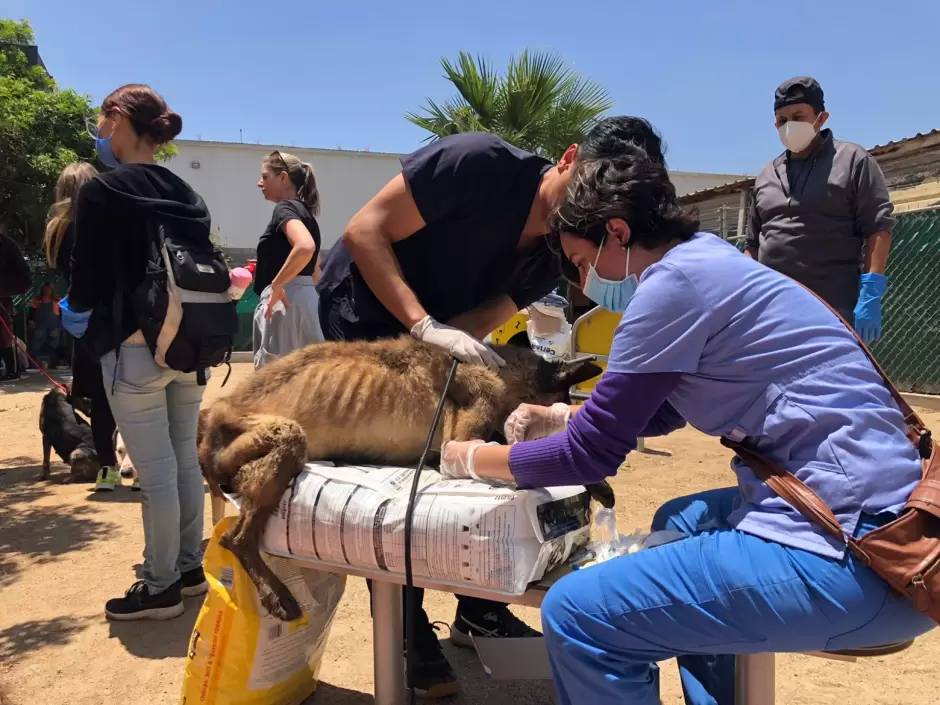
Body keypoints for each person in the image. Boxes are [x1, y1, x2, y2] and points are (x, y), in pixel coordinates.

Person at [440, 149, 936, 705]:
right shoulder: (713, 262)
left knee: (578, 614)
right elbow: (667, 406)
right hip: (901, 519)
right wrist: (562, 416)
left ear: (618, 233)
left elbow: (590, 457)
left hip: (860, 561)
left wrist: (469, 457)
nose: (586, 281)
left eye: (582, 263)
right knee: (679, 519)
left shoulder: (668, 289)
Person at [316, 116, 668, 697]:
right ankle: (405, 626)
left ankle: (478, 606)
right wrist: (422, 328)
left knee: (469, 459)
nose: (585, 211)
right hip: (368, 311)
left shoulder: (559, 245)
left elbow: (492, 313)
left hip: (443, 330)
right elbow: (364, 232)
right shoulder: (478, 164)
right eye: (586, 187)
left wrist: (452, 347)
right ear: (568, 157)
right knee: (399, 469)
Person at [66, 84, 212, 620]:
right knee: (182, 463)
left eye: (102, 120)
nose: (99, 132)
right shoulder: (187, 192)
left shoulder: (103, 191)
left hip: (133, 346)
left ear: (121, 118)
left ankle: (159, 587)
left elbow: (90, 273)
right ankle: (189, 568)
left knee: (154, 472)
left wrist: (75, 311)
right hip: (190, 345)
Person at [746, 77, 895, 343]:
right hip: (774, 315)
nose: (789, 125)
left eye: (798, 116)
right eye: (782, 120)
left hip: (834, 313)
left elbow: (878, 228)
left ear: (821, 118)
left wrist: (870, 293)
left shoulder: (853, 161)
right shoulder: (766, 175)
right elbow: (752, 245)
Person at [44, 161, 125, 490]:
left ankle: (108, 469)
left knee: (102, 400)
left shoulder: (57, 230)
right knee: (129, 394)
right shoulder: (102, 226)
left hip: (82, 322)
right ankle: (133, 465)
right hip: (115, 319)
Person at [252, 150, 323, 368]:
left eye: (265, 177)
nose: (259, 183)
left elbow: (305, 247)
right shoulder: (307, 215)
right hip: (308, 301)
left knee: (275, 387)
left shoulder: (285, 208)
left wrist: (277, 284)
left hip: (285, 302)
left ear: (283, 177)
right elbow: (316, 271)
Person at [0, 229, 31, 381]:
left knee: (3, 335)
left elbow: (23, 278)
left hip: (2, 298)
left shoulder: (8, 246)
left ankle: (13, 369)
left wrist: (3, 289)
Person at [27, 282, 62, 368]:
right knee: (36, 345)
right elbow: (31, 313)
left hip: (54, 326)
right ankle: (34, 364)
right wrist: (31, 321)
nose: (47, 291)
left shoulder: (57, 301)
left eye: (49, 289)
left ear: (52, 290)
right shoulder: (36, 300)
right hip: (39, 326)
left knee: (54, 345)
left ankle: (54, 364)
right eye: (45, 289)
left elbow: (62, 314)